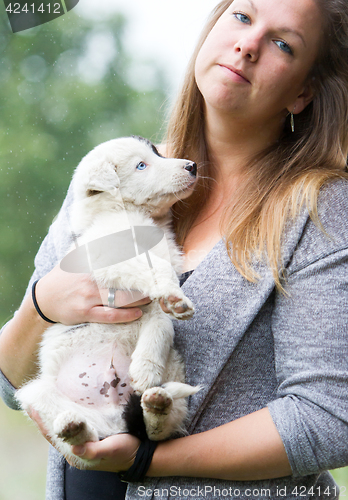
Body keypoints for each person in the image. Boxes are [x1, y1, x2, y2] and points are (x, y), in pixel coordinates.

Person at [1, 0, 348, 498]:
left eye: (282, 43)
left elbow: (329, 418)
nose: (248, 44)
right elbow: (14, 385)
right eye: (243, 17)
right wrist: (41, 304)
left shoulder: (321, 210)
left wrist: (150, 460)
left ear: (302, 92)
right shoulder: (115, 174)